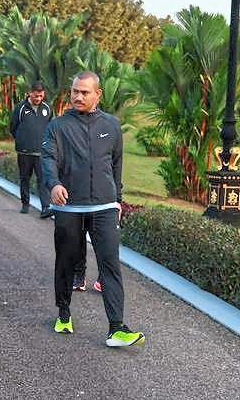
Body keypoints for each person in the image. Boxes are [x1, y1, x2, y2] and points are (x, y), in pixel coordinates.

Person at [41, 71, 144, 347]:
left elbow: (116, 164)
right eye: (75, 91)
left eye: (85, 92)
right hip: (69, 208)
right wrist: (53, 185)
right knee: (66, 262)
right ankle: (64, 313)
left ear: (98, 94)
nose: (78, 96)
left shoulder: (111, 125)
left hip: (105, 206)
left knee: (110, 264)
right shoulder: (57, 127)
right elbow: (48, 159)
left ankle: (117, 327)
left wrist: (117, 199)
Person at [11, 82, 54, 218]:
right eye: (35, 96)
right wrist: (21, 139)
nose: (38, 99)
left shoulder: (47, 108)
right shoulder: (21, 108)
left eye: (40, 96)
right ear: (30, 93)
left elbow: (51, 128)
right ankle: (25, 204)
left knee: (43, 180)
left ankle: (45, 207)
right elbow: (13, 127)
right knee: (25, 178)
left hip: (41, 153)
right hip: (24, 152)